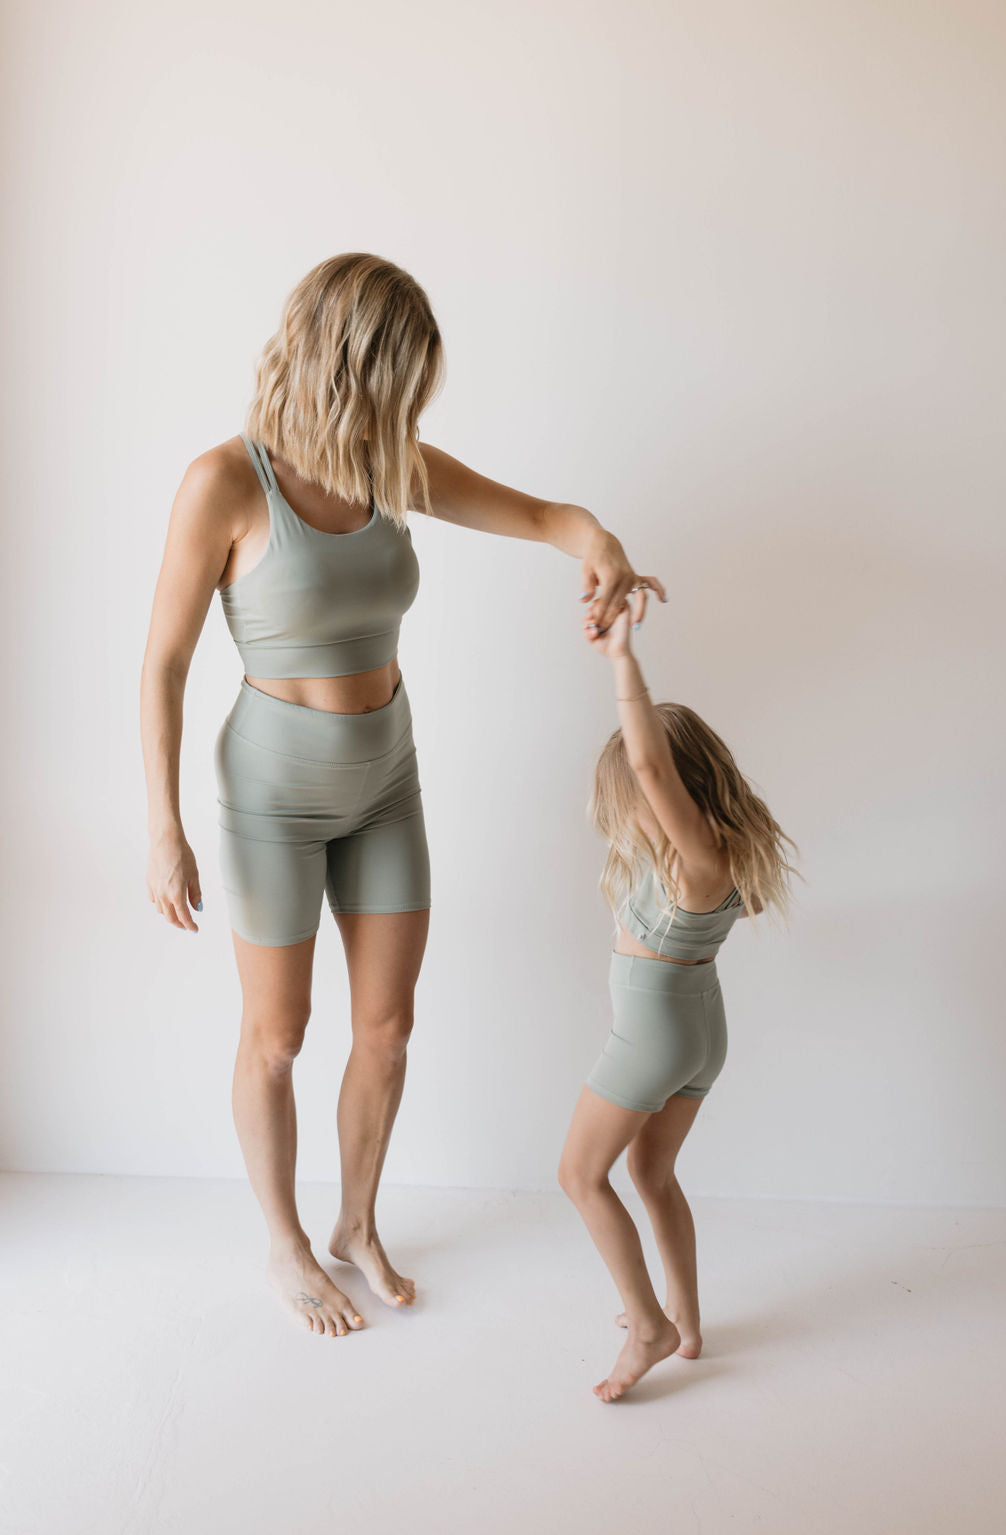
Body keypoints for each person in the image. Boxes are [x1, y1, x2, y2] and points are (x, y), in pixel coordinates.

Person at [140, 252, 665, 1338]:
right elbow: (163, 665)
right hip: (271, 793)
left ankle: (356, 1222)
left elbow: (544, 516)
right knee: (277, 1036)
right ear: (349, 365)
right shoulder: (225, 483)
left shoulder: (389, 464)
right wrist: (163, 826)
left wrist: (599, 543)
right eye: (400, 380)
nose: (411, 405)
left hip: (386, 776)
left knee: (387, 1026)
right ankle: (284, 1240)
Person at [558, 601, 797, 1400]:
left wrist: (622, 660)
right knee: (652, 1173)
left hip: (653, 1034)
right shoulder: (720, 861)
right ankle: (687, 1324)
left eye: (635, 787)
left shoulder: (697, 856)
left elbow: (652, 768)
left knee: (579, 1174)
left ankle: (648, 1321)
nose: (632, 805)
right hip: (702, 1029)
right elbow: (659, 776)